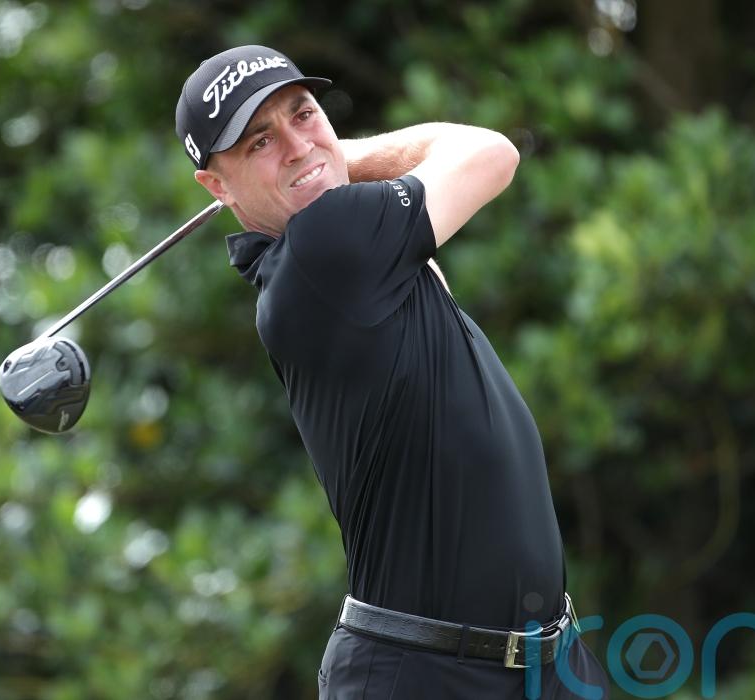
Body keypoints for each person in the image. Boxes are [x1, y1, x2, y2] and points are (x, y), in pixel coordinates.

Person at [176, 45, 610, 698]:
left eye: (304, 114)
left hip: (543, 664)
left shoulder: (356, 260)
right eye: (260, 141)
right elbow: (491, 153)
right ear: (217, 186)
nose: (296, 144)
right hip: (427, 675)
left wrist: (316, 160)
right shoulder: (327, 246)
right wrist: (334, 157)